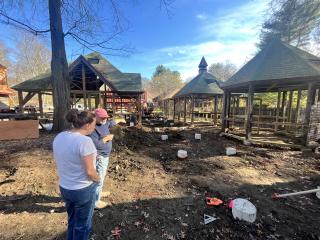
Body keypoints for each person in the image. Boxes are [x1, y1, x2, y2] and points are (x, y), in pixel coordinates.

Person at [53, 109, 100, 240]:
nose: (95, 127)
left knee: (72, 220)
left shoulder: (60, 136)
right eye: (94, 124)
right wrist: (98, 179)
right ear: (87, 125)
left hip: (65, 187)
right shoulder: (85, 142)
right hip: (82, 189)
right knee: (83, 226)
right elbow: (90, 172)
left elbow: (66, 156)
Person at [89, 108, 117, 209]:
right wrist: (106, 139)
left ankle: (99, 193)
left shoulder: (104, 122)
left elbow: (110, 123)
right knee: (99, 178)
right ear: (95, 117)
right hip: (100, 156)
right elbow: (95, 145)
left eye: (106, 117)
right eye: (102, 118)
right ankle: (96, 201)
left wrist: (117, 121)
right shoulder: (92, 128)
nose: (104, 119)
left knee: (102, 175)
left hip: (105, 155)